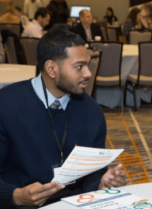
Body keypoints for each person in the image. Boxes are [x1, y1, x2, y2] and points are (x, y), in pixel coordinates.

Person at [0, 28, 126, 208]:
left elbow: (93, 173)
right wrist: (16, 196)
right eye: (79, 66)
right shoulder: (6, 105)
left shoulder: (91, 111)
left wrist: (101, 184)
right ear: (52, 68)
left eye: (88, 65)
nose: (88, 73)